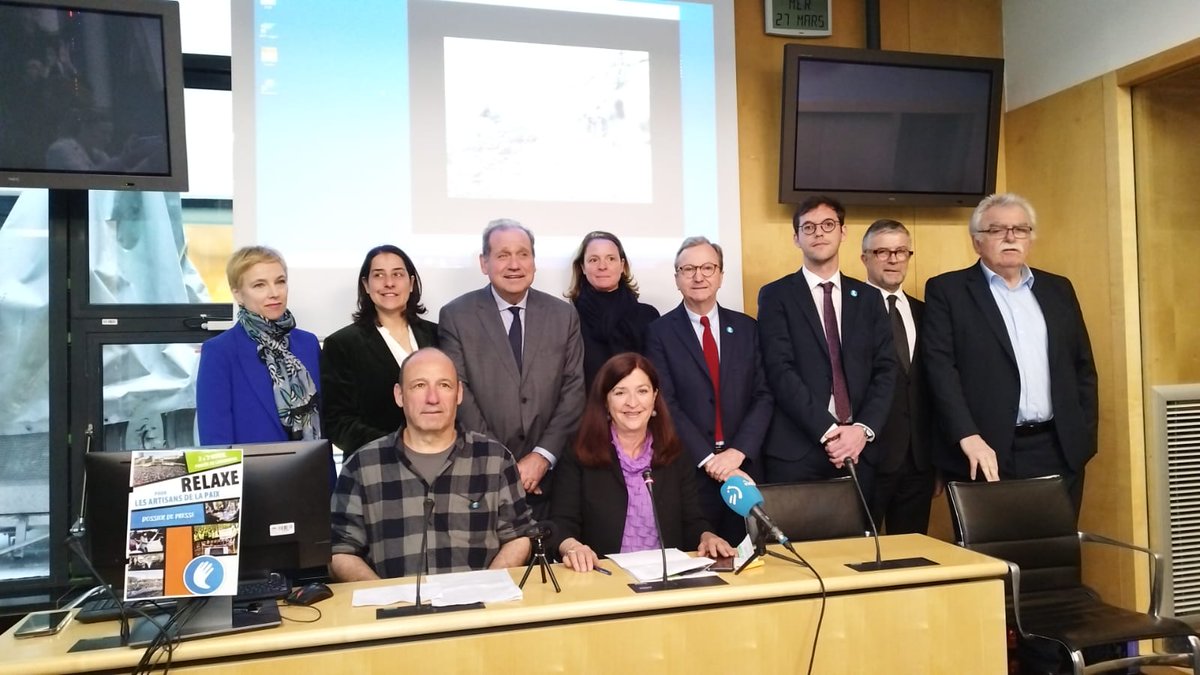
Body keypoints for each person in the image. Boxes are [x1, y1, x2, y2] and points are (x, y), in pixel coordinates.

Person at [922, 193, 1097, 516]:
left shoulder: (1059, 289)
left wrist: (1082, 437)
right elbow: (940, 371)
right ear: (976, 241)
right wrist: (967, 436)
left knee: (1057, 558)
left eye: (1021, 229)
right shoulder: (948, 291)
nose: (1010, 237)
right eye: (997, 230)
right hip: (984, 451)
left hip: (1058, 448)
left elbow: (1082, 367)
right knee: (995, 559)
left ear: (1031, 238)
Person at [330, 348, 533, 581]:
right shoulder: (362, 466)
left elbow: (518, 536)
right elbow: (340, 550)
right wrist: (387, 597)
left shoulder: (495, 460)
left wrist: (485, 588)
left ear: (458, 394)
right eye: (419, 386)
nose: (433, 398)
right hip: (394, 613)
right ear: (399, 395)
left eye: (444, 385)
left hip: (478, 611)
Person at [439, 218, 585, 518]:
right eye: (503, 255)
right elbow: (458, 392)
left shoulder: (563, 315)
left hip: (551, 478)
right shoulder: (457, 316)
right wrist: (504, 463)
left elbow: (574, 391)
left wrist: (541, 457)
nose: (514, 264)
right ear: (484, 262)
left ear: (534, 261)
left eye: (523, 254)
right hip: (481, 474)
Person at [756, 196, 897, 498]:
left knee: (860, 545)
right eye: (809, 227)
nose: (819, 233)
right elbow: (780, 371)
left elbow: (887, 370)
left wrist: (861, 430)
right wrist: (831, 432)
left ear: (843, 232)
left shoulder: (870, 299)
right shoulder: (775, 296)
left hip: (861, 449)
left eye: (828, 225)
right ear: (796, 238)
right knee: (800, 545)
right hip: (797, 451)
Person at [549, 353, 737, 571]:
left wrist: (708, 537)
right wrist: (572, 547)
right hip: (604, 577)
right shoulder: (579, 452)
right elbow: (561, 524)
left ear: (655, 397)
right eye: (620, 392)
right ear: (605, 400)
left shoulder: (674, 451)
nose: (632, 403)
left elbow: (693, 521)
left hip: (666, 577)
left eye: (642, 391)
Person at [645, 236, 773, 543]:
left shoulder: (747, 328)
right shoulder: (659, 332)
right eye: (688, 269)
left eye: (707, 267)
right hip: (691, 470)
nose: (698, 276)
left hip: (745, 467)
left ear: (720, 275)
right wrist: (709, 459)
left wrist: (738, 452)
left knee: (754, 564)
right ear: (677, 278)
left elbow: (763, 395)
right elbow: (666, 403)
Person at [196, 246, 321, 445]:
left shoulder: (308, 344)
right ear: (238, 294)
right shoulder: (220, 352)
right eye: (259, 285)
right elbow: (215, 440)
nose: (274, 293)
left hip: (312, 472)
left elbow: (324, 424)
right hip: (253, 474)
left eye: (280, 282)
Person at [321, 245, 438, 455]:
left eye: (397, 274)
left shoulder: (438, 335)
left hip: (439, 460)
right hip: (376, 466)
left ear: (411, 283)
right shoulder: (341, 345)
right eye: (378, 275)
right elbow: (338, 423)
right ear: (366, 284)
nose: (389, 283)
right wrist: (400, 446)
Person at [859, 220, 934, 534]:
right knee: (860, 557)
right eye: (883, 251)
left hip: (920, 461)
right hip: (868, 458)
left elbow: (934, 387)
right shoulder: (849, 312)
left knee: (915, 556)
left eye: (901, 251)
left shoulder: (927, 312)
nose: (893, 259)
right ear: (864, 258)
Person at [565, 231, 660, 390]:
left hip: (636, 409)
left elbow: (656, 375)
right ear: (582, 267)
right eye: (594, 260)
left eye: (611, 258)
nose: (602, 266)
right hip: (586, 411)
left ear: (622, 265)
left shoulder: (648, 316)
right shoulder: (568, 318)